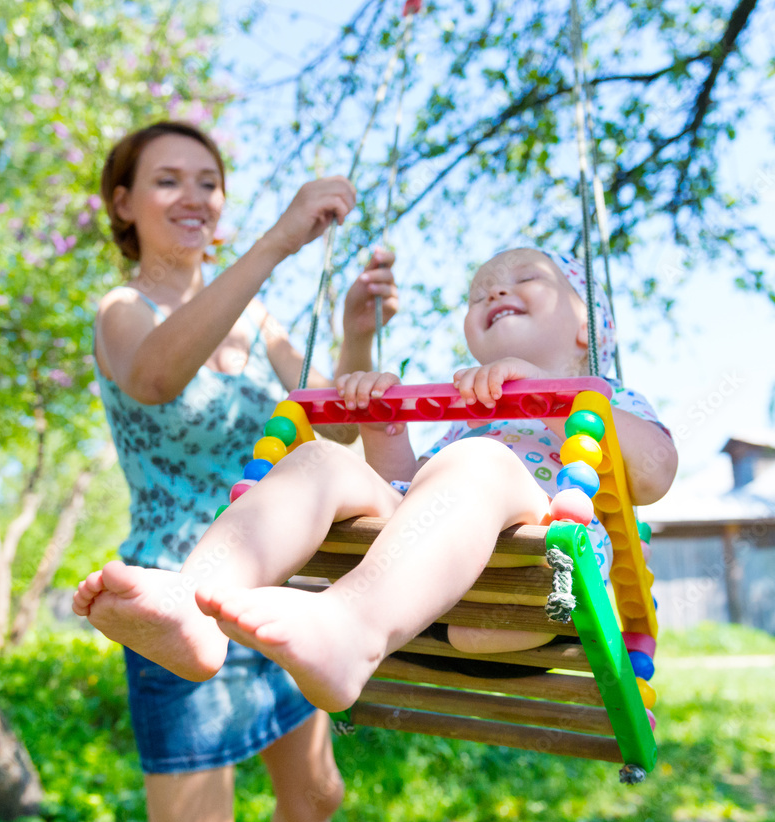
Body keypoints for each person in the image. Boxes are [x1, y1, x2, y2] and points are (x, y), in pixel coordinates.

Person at [77, 246, 677, 720]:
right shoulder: (466, 418)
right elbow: (405, 493)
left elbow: (652, 474)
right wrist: (384, 428)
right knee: (317, 461)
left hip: (536, 601)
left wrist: (547, 398)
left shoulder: (610, 399)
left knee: (478, 463)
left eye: (528, 278)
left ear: (589, 328)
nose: (496, 288)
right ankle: (194, 603)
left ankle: (349, 633)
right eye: (479, 291)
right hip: (425, 604)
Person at [74, 119, 398, 822]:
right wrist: (279, 240)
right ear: (123, 203)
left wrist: (357, 337)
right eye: (168, 180)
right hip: (177, 598)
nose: (196, 197)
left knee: (318, 795)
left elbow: (337, 428)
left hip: (279, 593)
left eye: (209, 182)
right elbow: (154, 376)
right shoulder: (123, 309)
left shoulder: (260, 325)